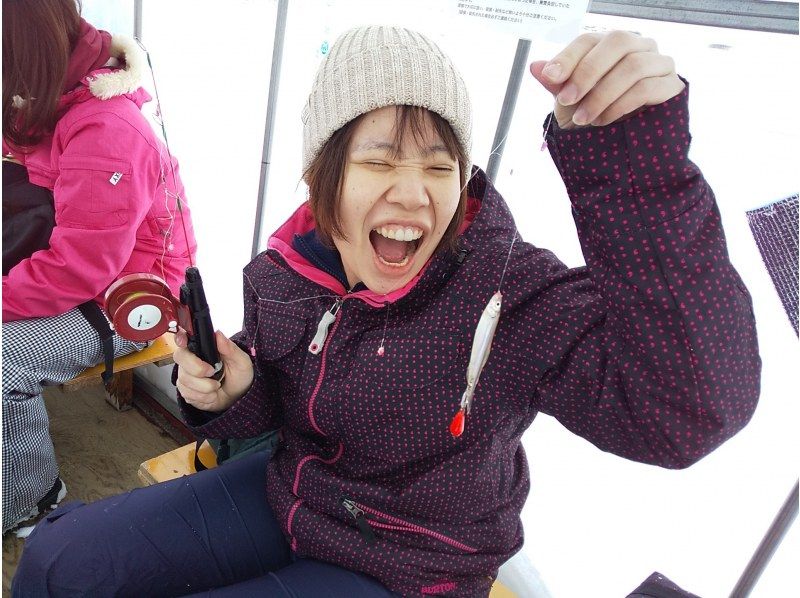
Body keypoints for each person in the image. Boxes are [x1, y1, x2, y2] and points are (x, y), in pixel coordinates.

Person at [12, 24, 760, 597]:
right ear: (322, 173)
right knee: (59, 556)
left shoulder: (510, 291)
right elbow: (282, 402)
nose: (412, 193)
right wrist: (234, 392)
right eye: (378, 159)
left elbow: (686, 409)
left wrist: (635, 168)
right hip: (294, 494)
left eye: (439, 164)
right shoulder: (288, 269)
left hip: (416, 560)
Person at [2, 0, 197, 534]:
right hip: (73, 256)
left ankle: (32, 499)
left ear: (22, 58)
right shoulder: (44, 92)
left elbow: (76, 270)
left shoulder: (108, 128)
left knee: (3, 361)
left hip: (128, 295)